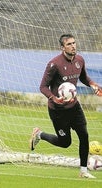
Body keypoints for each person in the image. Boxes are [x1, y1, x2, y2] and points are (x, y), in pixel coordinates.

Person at [30, 34, 102, 178]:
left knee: (84, 135)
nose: (73, 46)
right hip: (58, 111)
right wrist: (53, 98)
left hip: (74, 107)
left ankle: (83, 171)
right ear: (62, 47)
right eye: (69, 44)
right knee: (65, 142)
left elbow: (83, 77)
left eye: (74, 43)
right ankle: (39, 135)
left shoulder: (79, 60)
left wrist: (93, 84)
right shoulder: (54, 64)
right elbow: (43, 87)